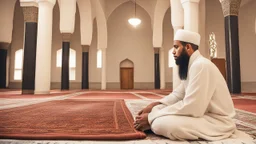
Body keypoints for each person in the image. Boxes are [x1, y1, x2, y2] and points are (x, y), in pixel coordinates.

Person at [133, 29, 240, 141]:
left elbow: (193, 107)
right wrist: (155, 105)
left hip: (217, 121)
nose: (173, 52)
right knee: (158, 109)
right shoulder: (192, 66)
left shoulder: (201, 66)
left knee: (161, 123)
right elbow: (178, 95)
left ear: (188, 47)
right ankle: (153, 119)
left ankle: (152, 122)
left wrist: (151, 117)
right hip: (203, 115)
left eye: (176, 47)